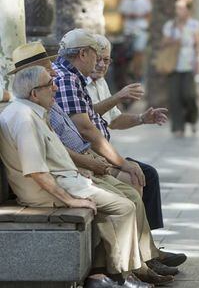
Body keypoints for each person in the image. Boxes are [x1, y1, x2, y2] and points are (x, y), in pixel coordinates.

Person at [0, 65, 153, 288]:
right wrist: (71, 200)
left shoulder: (31, 111)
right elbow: (37, 171)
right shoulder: (24, 118)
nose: (55, 88)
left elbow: (51, 156)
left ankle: (100, 275)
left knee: (124, 197)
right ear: (34, 93)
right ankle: (122, 276)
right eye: (49, 85)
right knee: (124, 207)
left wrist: (78, 171)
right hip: (44, 192)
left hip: (64, 179)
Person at [51, 29, 186, 266]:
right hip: (82, 158)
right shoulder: (67, 79)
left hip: (90, 154)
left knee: (144, 176)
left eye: (106, 59)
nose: (100, 63)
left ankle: (146, 252)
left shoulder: (80, 78)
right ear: (83, 54)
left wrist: (142, 118)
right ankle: (135, 261)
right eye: (97, 56)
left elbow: (111, 120)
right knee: (134, 181)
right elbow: (86, 130)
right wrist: (120, 162)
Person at [86, 34, 168, 135]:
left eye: (106, 60)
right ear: (85, 57)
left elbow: (114, 120)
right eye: (97, 59)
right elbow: (86, 116)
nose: (102, 65)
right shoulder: (76, 81)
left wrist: (142, 118)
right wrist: (117, 97)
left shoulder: (100, 81)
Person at [161, 0, 199, 137]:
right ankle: (178, 127)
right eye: (177, 8)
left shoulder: (194, 25)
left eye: (181, 8)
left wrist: (198, 62)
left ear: (188, 10)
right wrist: (173, 39)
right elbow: (163, 43)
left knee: (189, 95)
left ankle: (192, 119)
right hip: (173, 65)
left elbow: (197, 45)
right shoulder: (170, 25)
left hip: (189, 64)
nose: (178, 11)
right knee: (174, 97)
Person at [118, 0, 152, 82]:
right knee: (128, 53)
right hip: (128, 30)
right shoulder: (125, 0)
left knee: (139, 52)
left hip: (141, 29)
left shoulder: (144, 0)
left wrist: (142, 19)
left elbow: (148, 14)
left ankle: (138, 72)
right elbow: (122, 15)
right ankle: (129, 71)